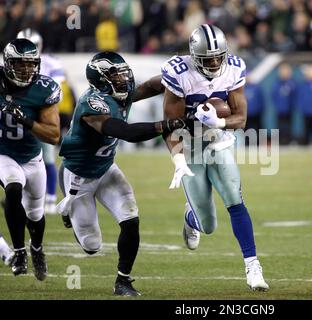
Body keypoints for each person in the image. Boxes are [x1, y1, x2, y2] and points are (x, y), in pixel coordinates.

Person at [56, 51, 187, 296]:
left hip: (106, 169)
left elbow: (151, 86)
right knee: (91, 246)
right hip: (79, 177)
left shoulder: (120, 94)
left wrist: (180, 71)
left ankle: (122, 281)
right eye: (117, 75)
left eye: (125, 73)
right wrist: (165, 125)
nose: (124, 79)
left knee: (131, 220)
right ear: (101, 79)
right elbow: (125, 132)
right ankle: (70, 213)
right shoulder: (92, 103)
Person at [160, 24, 269, 291]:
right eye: (208, 59)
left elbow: (240, 119)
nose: (215, 62)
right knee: (208, 226)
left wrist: (218, 123)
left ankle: (253, 266)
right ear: (195, 57)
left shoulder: (233, 68)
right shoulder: (179, 73)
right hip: (191, 146)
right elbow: (169, 126)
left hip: (219, 143)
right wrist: (178, 160)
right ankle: (191, 218)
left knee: (234, 198)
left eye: (218, 56)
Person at [0, 39, 61, 280]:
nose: (26, 69)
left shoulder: (43, 88)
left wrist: (25, 119)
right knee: (13, 189)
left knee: (36, 214)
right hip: (3, 152)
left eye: (30, 64)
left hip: (31, 156)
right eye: (20, 64)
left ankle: (36, 248)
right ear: (7, 63)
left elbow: (54, 135)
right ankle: (19, 252)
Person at [17, 28, 65, 215]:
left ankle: (51, 198)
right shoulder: (9, 63)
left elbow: (56, 92)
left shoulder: (51, 62)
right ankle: (19, 196)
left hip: (43, 114)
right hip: (17, 114)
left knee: (47, 158)